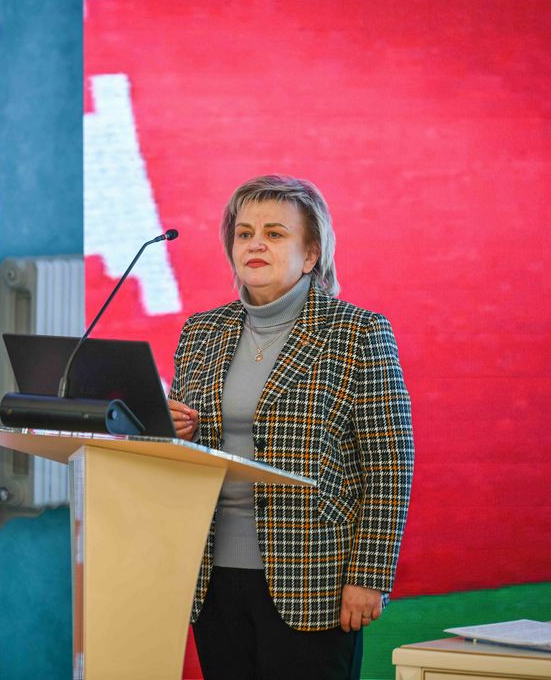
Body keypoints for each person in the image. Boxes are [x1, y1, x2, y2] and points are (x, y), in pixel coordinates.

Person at [167, 174, 414, 679]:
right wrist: (171, 431)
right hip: (212, 579)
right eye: (244, 233)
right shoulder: (200, 331)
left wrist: (369, 575)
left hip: (314, 580)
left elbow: (389, 465)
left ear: (311, 254)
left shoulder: (358, 332)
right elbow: (184, 452)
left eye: (275, 233)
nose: (255, 243)